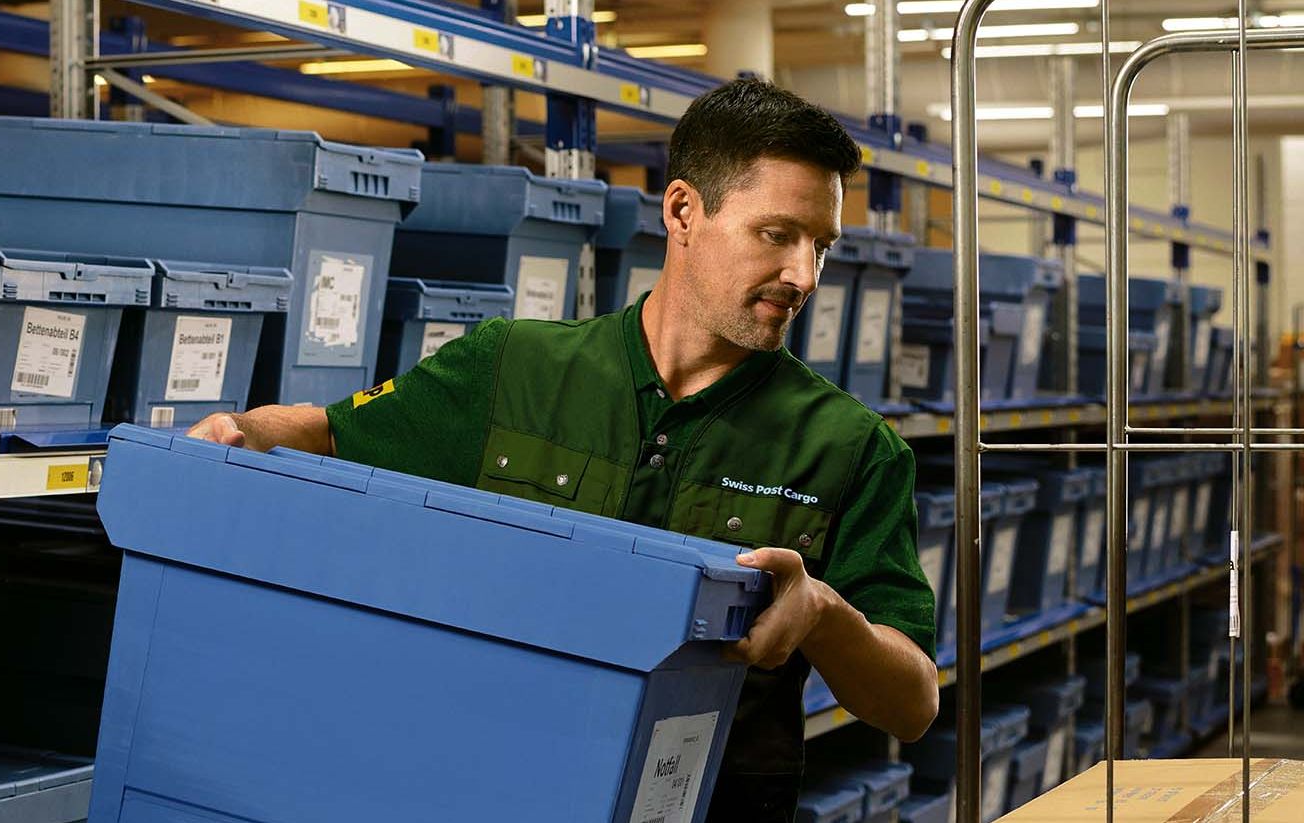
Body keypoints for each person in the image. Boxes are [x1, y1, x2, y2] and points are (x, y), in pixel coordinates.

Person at [187, 78, 939, 822]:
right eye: (776, 234)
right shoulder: (511, 366)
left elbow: (912, 705)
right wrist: (247, 430)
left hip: (713, 801)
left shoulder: (853, 447)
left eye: (822, 246)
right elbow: (330, 430)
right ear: (683, 210)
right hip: (488, 783)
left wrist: (825, 613)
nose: (804, 275)